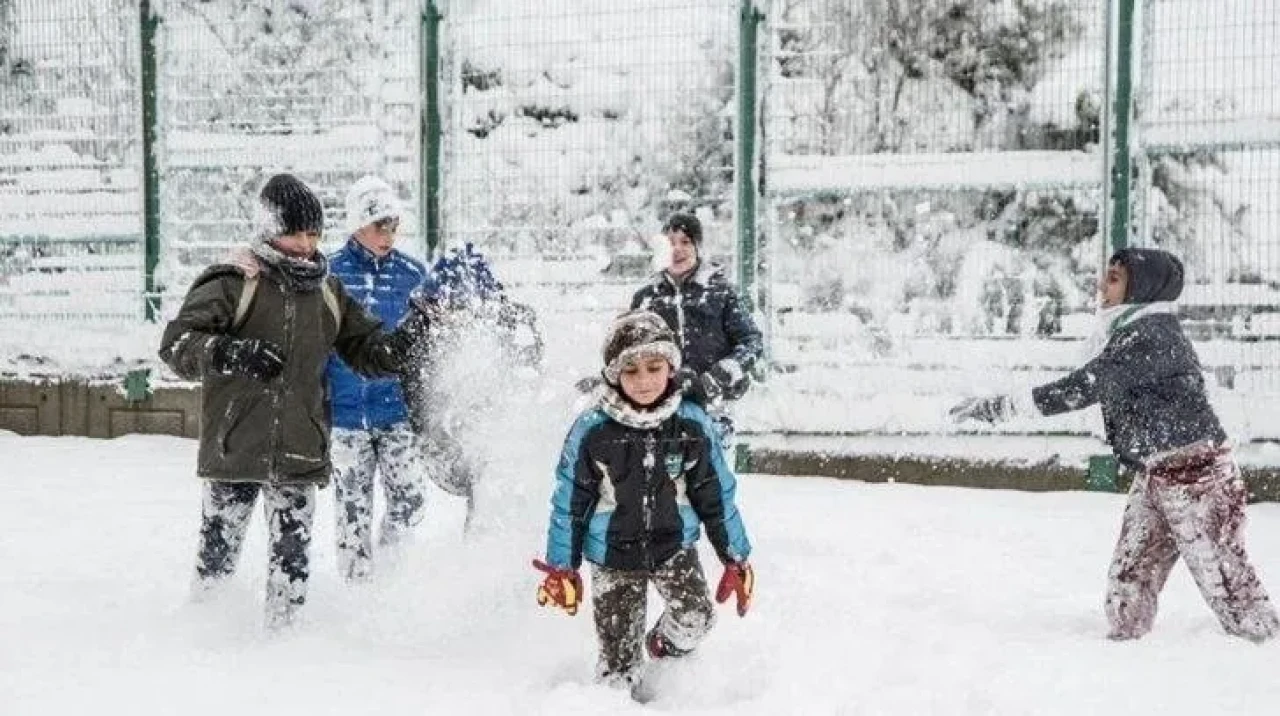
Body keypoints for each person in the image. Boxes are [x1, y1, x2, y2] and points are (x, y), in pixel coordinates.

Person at [950, 247, 1278, 642]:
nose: (1102, 286)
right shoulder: (1130, 332)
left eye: (1114, 278)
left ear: (1140, 288)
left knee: (1225, 579)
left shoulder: (1153, 336)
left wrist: (998, 408)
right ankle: (1123, 653)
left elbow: (1082, 388)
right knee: (1131, 574)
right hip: (1156, 471)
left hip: (1198, 477)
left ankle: (1263, 646)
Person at [159, 173, 430, 629]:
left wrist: (410, 336)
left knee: (291, 573)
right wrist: (230, 352)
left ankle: (284, 655)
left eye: (314, 233)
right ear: (269, 230)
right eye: (297, 232)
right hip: (236, 447)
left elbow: (369, 352)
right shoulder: (233, 281)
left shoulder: (327, 291)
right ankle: (202, 644)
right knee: (216, 566)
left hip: (300, 450)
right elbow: (177, 344)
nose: (307, 245)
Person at [534, 310, 755, 696]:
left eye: (654, 367)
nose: (644, 381)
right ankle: (618, 691)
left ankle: (661, 648)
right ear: (613, 375)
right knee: (618, 670)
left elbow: (715, 494)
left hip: (674, 546)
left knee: (697, 618)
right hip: (613, 556)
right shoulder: (593, 430)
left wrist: (735, 555)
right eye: (631, 371)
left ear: (671, 367)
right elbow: (569, 502)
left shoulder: (690, 424)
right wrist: (562, 566)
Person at [325, 175, 428, 583]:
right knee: (352, 504)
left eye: (393, 224)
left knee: (409, 498)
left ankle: (393, 573)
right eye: (378, 224)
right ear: (357, 225)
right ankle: (356, 585)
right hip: (347, 415)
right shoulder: (328, 274)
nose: (388, 234)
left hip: (397, 413)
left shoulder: (413, 274)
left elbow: (425, 345)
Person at [399, 243, 543, 531]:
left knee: (492, 488)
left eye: (457, 306)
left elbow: (528, 380)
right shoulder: (418, 329)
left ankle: (487, 546)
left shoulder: (511, 327)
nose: (446, 314)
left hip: (498, 434)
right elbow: (412, 390)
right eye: (438, 304)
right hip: (443, 439)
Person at [630, 212, 763, 449]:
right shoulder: (646, 299)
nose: (678, 249)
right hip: (661, 407)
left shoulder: (721, 293)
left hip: (715, 406)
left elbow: (751, 341)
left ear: (698, 247)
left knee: (711, 478)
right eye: (671, 243)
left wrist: (720, 375)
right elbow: (630, 350)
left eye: (685, 242)